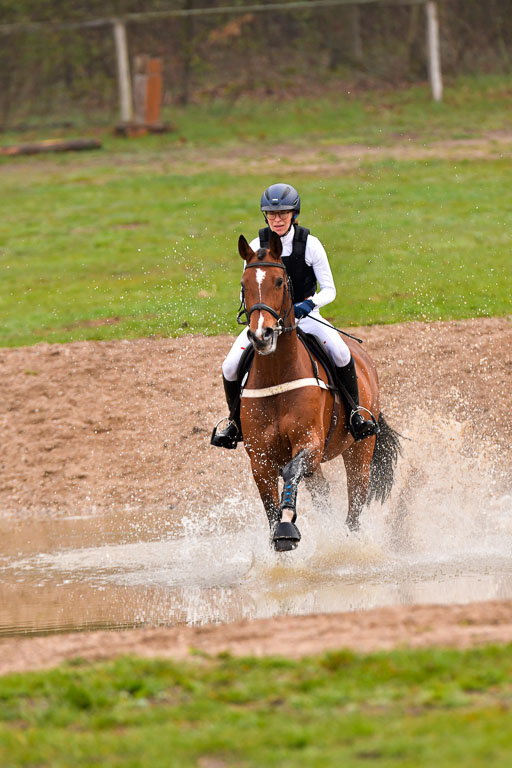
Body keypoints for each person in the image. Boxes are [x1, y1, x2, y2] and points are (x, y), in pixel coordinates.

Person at [211, 182, 379, 449]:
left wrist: (308, 305)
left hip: (306, 318)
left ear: (294, 214)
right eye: (271, 214)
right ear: (265, 215)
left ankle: (357, 414)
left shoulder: (310, 245)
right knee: (230, 365)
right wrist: (256, 312)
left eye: (283, 213)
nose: (277, 219)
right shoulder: (256, 245)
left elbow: (330, 290)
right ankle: (234, 423)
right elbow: (247, 289)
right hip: (266, 321)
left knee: (341, 352)